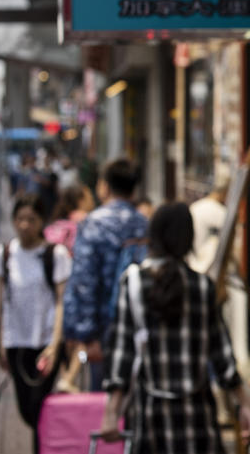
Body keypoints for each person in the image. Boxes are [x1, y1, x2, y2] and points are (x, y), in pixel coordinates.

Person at [99, 202, 250, 453]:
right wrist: (244, 405)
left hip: (151, 416)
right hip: (198, 419)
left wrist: (110, 413)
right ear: (188, 238)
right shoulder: (203, 287)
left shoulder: (135, 282)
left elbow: (122, 354)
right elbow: (223, 356)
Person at [0, 194, 72, 453]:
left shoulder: (56, 254)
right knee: (26, 410)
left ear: (42, 221)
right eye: (20, 219)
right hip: (16, 341)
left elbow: (61, 301)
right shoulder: (4, 254)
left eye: (31, 219)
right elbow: (1, 301)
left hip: (45, 343)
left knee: (39, 408)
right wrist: (1, 343)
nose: (25, 225)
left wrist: (55, 344)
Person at [62, 158, 147, 387]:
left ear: (104, 186)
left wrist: (85, 334)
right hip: (141, 328)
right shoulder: (144, 224)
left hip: (104, 331)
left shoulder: (93, 224)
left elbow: (84, 281)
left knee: (104, 398)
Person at [186, 181, 228, 274]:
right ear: (224, 194)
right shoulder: (214, 208)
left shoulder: (196, 206)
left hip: (194, 259)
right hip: (205, 263)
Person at [44, 183, 95, 253]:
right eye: (89, 197)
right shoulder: (85, 219)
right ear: (80, 201)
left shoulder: (56, 223)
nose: (92, 200)